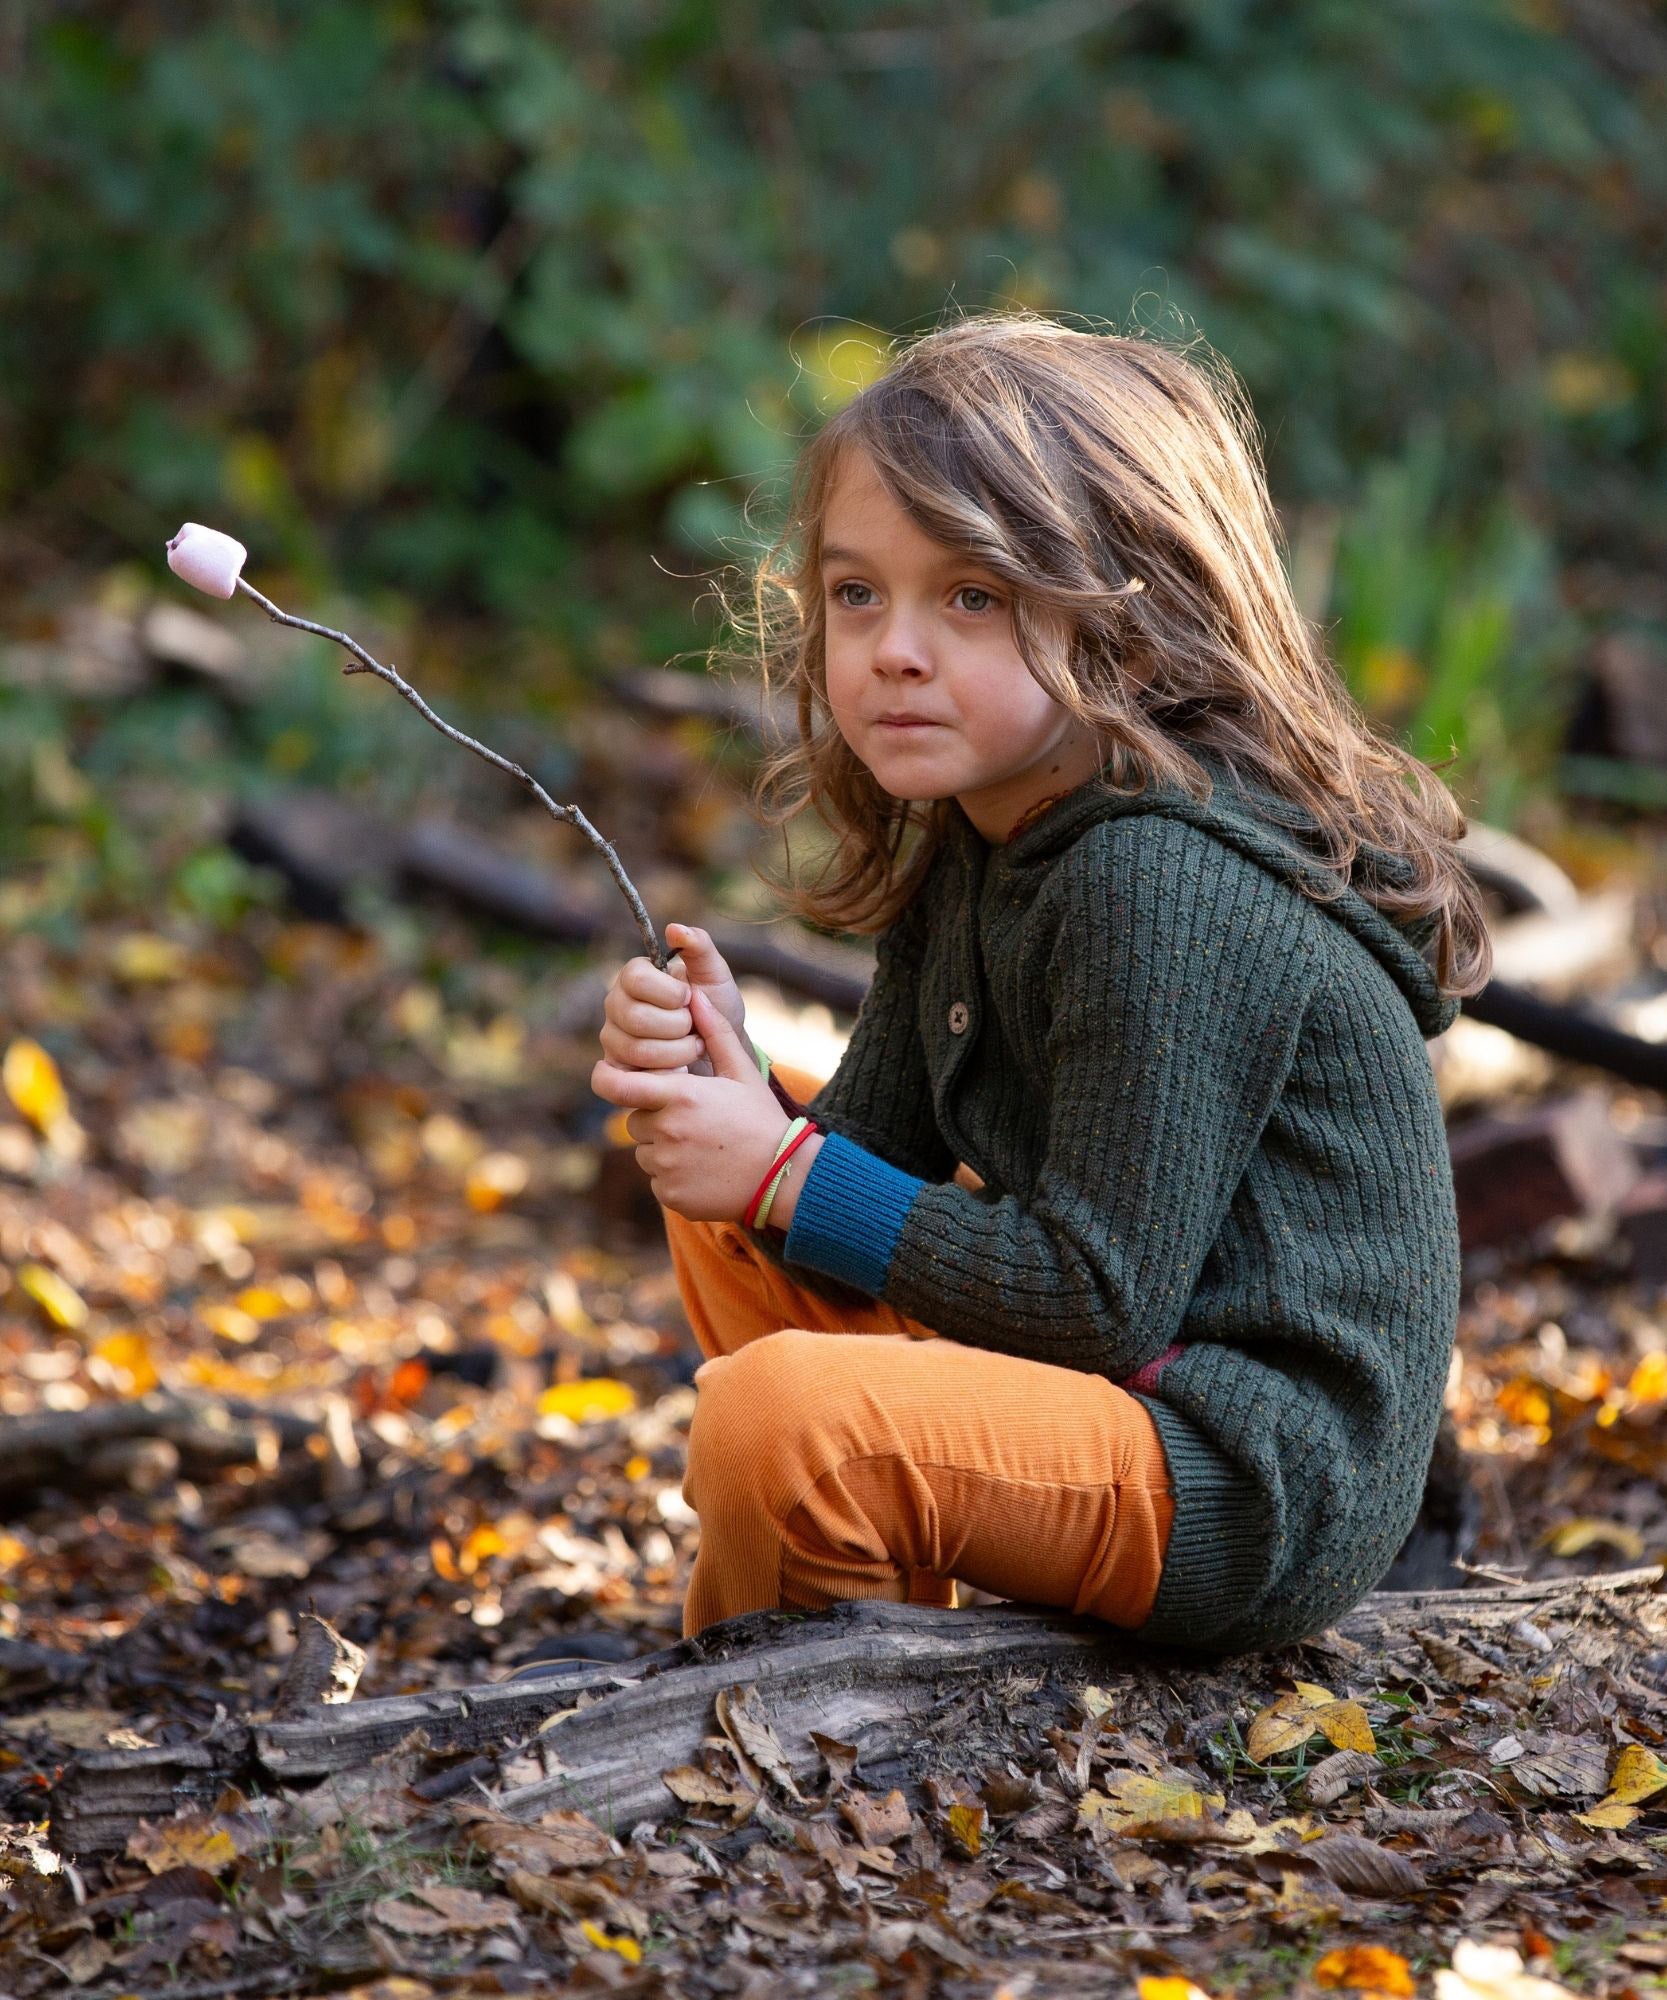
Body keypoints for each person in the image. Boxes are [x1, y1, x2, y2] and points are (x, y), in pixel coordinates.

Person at [590, 310, 1491, 1658]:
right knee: (717, 1185)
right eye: (856, 594)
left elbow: (1096, 1294)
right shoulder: (982, 839)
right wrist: (726, 1093)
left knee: (780, 1414)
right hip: (1110, 1386)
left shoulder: (1153, 883)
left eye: (971, 596)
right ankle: (855, 1640)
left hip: (1241, 1469)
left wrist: (780, 1168)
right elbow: (855, 1160)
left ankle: (792, 1730)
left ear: (1133, 616)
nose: (894, 649)